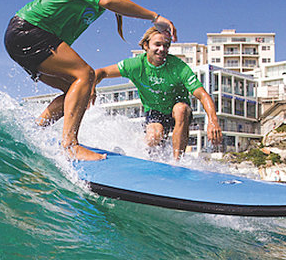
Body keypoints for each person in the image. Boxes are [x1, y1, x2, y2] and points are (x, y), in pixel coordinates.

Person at [4, 0, 177, 161]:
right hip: (30, 30)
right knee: (85, 75)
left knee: (78, 92)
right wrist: (155, 17)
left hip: (28, 37)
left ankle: (34, 131)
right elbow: (108, 1)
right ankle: (70, 146)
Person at [93, 26, 222, 160]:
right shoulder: (136, 65)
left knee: (181, 109)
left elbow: (203, 95)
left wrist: (213, 121)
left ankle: (177, 162)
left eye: (166, 45)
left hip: (178, 112)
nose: (162, 49)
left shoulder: (178, 66)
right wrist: (91, 88)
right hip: (155, 112)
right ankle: (150, 160)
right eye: (157, 44)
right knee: (154, 136)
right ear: (146, 45)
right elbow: (100, 72)